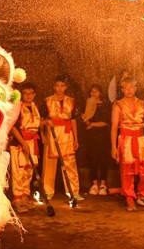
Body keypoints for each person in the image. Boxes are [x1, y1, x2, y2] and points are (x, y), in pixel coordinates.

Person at [112, 76, 144, 210]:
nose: (129, 90)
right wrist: (113, 147)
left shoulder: (142, 103)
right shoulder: (118, 104)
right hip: (126, 139)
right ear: (122, 89)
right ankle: (129, 198)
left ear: (136, 88)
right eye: (126, 88)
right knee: (127, 170)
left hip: (141, 139)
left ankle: (142, 195)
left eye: (132, 87)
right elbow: (114, 127)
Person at [41, 77, 81, 208]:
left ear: (66, 87)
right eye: (57, 85)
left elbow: (73, 120)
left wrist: (76, 138)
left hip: (67, 133)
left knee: (70, 162)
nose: (59, 88)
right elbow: (41, 119)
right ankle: (47, 191)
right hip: (52, 132)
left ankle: (73, 191)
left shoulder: (71, 101)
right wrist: (42, 135)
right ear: (54, 86)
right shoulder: (47, 101)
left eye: (62, 85)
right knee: (49, 163)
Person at [9, 83, 43, 206]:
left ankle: (25, 195)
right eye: (25, 93)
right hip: (19, 142)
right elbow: (13, 126)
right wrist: (23, 143)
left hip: (32, 141)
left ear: (34, 94)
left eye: (31, 93)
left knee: (29, 170)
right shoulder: (17, 107)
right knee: (19, 170)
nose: (28, 96)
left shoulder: (35, 106)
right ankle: (17, 198)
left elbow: (35, 124)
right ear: (22, 94)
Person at [80, 83, 112, 197]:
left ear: (100, 93)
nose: (94, 93)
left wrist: (92, 124)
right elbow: (85, 118)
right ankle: (94, 184)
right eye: (92, 91)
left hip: (103, 136)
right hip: (91, 137)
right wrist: (86, 120)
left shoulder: (105, 105)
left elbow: (106, 121)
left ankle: (103, 184)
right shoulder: (88, 103)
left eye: (96, 91)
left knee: (103, 160)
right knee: (92, 159)